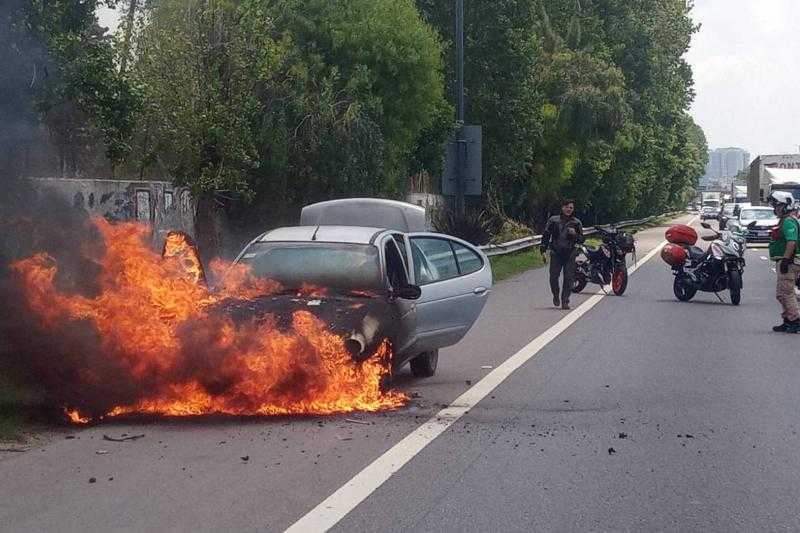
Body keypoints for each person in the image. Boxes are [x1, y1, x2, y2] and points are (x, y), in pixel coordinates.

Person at [540, 199, 583, 310]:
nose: (569, 209)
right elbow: (546, 235)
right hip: (556, 253)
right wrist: (543, 250)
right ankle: (556, 295)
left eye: (571, 208)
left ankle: (565, 301)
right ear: (562, 207)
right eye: (567, 207)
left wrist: (575, 235)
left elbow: (581, 239)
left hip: (570, 254)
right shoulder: (553, 220)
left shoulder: (576, 222)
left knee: (569, 278)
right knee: (553, 277)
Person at [767, 191, 800, 333]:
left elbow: (791, 242)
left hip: (789, 262)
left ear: (786, 206)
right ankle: (788, 320)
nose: (775, 209)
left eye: (778, 206)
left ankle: (795, 320)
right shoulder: (785, 220)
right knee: (781, 293)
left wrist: (786, 260)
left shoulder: (788, 221)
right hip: (786, 260)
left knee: (786, 292)